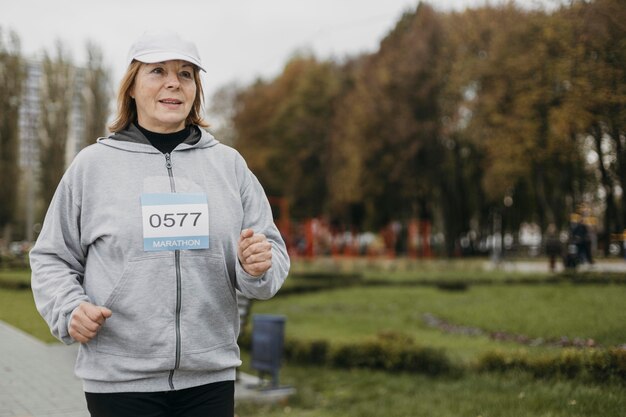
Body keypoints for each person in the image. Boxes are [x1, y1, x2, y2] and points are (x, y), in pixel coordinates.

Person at [30, 31, 290, 417]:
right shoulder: (92, 167)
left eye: (186, 74)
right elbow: (51, 256)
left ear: (195, 90)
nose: (173, 82)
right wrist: (70, 310)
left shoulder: (229, 166)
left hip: (209, 378)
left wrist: (257, 267)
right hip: (119, 381)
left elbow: (270, 257)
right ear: (132, 87)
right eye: (157, 71)